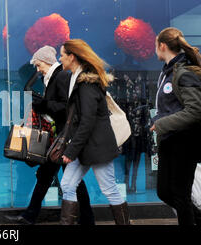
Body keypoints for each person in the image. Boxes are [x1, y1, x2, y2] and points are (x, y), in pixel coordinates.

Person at [5, 46, 95, 225]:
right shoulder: (53, 77)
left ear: (46, 61)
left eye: (38, 65)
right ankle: (31, 215)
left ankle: (86, 219)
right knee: (47, 177)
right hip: (58, 138)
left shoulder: (60, 76)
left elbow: (67, 107)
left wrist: (43, 104)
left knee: (69, 181)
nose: (37, 69)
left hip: (63, 138)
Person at [58, 39, 130, 225]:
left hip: (97, 147)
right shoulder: (77, 79)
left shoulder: (86, 84)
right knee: (67, 185)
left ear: (72, 57)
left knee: (109, 189)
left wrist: (71, 150)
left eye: (62, 55)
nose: (60, 58)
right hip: (85, 146)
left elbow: (87, 121)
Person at [150, 27, 201, 225]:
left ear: (162, 46)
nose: (155, 50)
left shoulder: (185, 73)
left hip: (184, 142)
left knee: (180, 195)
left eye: (155, 45)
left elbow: (195, 110)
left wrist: (161, 123)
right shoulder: (167, 72)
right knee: (164, 192)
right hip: (168, 140)